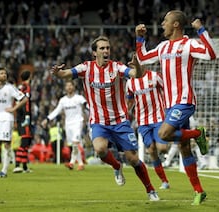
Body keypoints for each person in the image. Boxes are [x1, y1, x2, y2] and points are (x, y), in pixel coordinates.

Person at [50, 35, 160, 201]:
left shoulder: (117, 67)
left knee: (133, 159)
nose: (106, 51)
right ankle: (116, 166)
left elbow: (135, 74)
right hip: (99, 121)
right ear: (94, 53)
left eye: (107, 48)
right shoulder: (86, 68)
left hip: (120, 121)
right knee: (100, 150)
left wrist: (137, 65)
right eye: (102, 48)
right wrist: (58, 73)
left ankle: (150, 189)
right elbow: (66, 73)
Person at [135, 10, 216, 205]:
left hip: (185, 101)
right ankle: (199, 191)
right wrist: (140, 38)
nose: (162, 24)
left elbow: (211, 54)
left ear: (176, 25)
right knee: (183, 147)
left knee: (163, 134)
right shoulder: (163, 47)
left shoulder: (189, 44)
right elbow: (143, 59)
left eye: (166, 21)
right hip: (170, 105)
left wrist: (201, 30)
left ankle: (198, 133)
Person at [126, 54, 170, 189]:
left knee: (162, 148)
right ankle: (164, 181)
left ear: (143, 63)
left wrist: (169, 110)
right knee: (151, 151)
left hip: (158, 118)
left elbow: (167, 91)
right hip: (142, 121)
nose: (135, 67)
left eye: (137, 63)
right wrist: (126, 111)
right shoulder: (130, 82)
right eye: (133, 65)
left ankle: (174, 138)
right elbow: (130, 99)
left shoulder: (155, 76)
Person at [0, 67, 29, 178]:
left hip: (7, 118)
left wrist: (13, 109)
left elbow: (24, 99)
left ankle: (3, 171)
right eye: (1, 73)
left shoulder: (10, 88)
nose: (4, 75)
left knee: (6, 144)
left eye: (5, 73)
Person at [41, 80, 87, 171]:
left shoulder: (79, 98)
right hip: (68, 124)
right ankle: (80, 163)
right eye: (67, 86)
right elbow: (56, 111)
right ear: (65, 88)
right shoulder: (63, 100)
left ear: (74, 87)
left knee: (75, 142)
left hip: (78, 122)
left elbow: (86, 105)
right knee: (73, 145)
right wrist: (47, 119)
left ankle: (72, 162)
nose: (69, 87)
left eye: (71, 85)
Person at [13, 70, 33, 173]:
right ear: (30, 76)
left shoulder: (20, 87)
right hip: (25, 116)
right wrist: (27, 116)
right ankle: (17, 164)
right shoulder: (26, 87)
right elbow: (26, 103)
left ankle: (24, 166)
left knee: (27, 141)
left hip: (20, 116)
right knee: (25, 141)